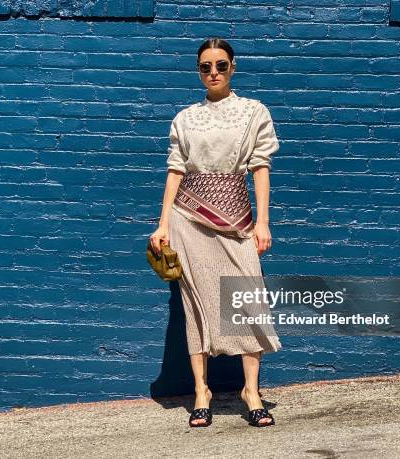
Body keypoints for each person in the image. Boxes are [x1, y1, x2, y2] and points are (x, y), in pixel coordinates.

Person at [149, 37, 283, 428]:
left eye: (220, 65)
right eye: (205, 67)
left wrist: (262, 221)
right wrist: (162, 224)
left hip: (237, 220)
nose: (213, 73)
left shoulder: (253, 111)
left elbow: (260, 167)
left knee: (248, 301)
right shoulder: (185, 118)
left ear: (233, 67)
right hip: (188, 220)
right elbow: (176, 170)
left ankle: (251, 391)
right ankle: (202, 391)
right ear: (198, 71)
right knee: (196, 306)